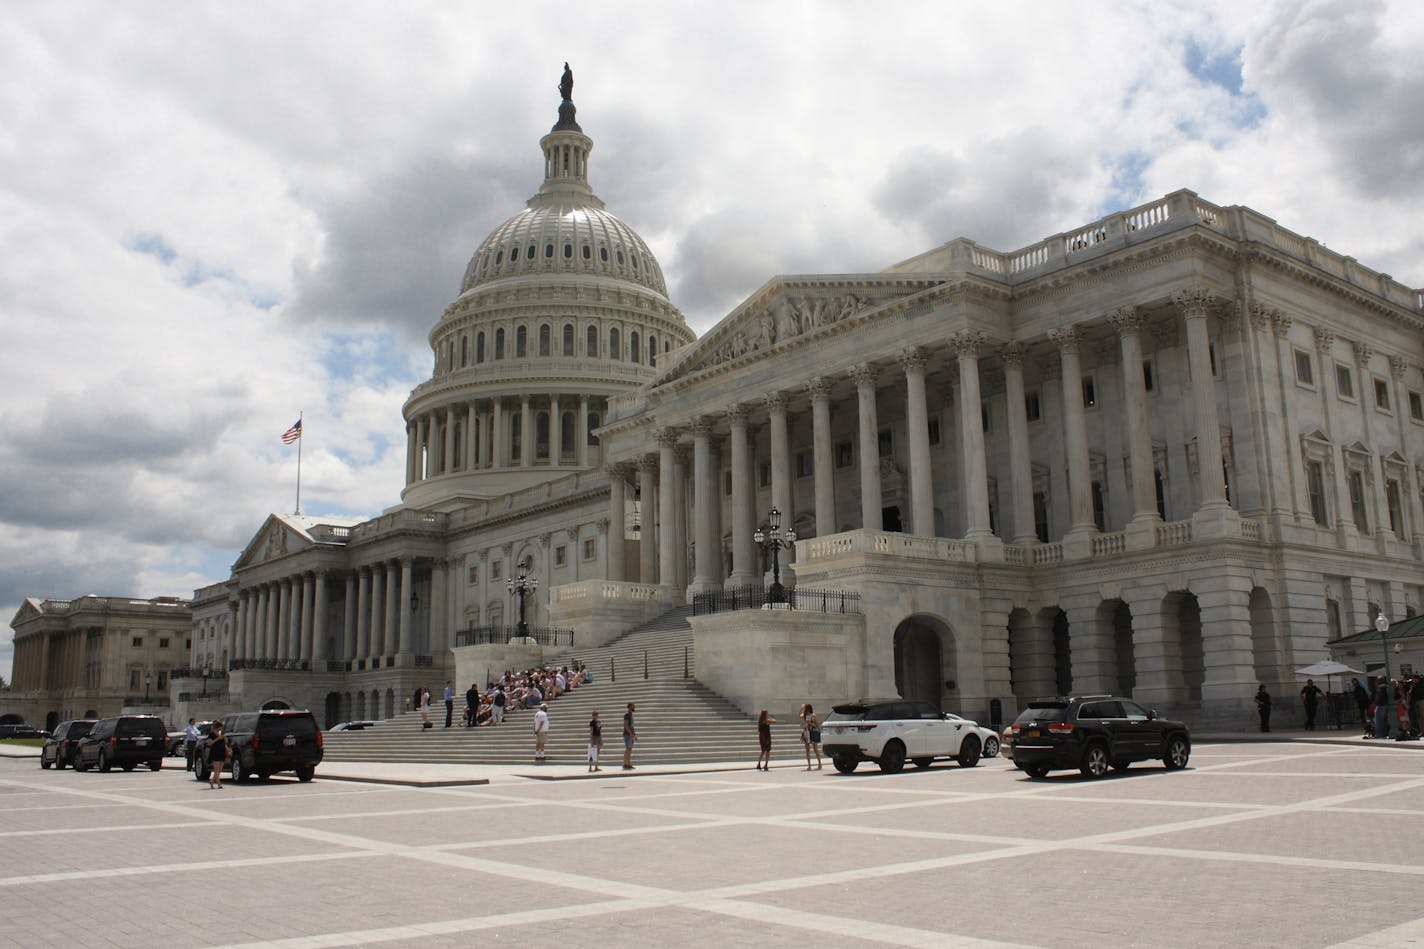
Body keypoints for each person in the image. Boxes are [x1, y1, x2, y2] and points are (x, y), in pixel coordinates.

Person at [799, 703, 823, 770]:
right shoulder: (804, 715)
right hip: (806, 732)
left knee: (815, 749)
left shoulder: (813, 715)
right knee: (807, 750)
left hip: (812, 732)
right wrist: (801, 709)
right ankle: (809, 766)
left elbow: (816, 725)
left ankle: (820, 764)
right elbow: (799, 715)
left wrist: (810, 723)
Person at [206, 721, 228, 789]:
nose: (220, 729)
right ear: (217, 727)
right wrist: (217, 739)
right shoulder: (211, 734)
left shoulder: (221, 733)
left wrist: (225, 739)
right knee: (216, 770)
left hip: (222, 753)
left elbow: (226, 743)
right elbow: (209, 743)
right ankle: (219, 784)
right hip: (215, 753)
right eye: (220, 727)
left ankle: (212, 782)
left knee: (220, 769)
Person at [622, 702, 637, 770]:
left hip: (630, 734)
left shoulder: (631, 715)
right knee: (628, 748)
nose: (634, 707)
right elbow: (626, 725)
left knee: (630, 749)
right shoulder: (627, 715)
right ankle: (625, 763)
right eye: (633, 706)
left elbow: (632, 726)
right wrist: (630, 733)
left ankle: (628, 763)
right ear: (630, 707)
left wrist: (634, 734)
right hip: (627, 735)